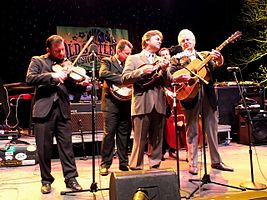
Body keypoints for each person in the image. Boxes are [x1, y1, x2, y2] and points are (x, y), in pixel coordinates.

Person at [25, 35, 89, 194]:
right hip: (43, 111)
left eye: (63, 49)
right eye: (57, 50)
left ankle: (71, 179)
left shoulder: (67, 65)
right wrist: (51, 76)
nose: (61, 53)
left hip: (62, 110)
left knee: (67, 148)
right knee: (44, 149)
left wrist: (82, 85)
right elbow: (30, 78)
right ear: (48, 50)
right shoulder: (38, 61)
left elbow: (73, 89)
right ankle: (46, 180)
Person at [170, 29, 234, 175]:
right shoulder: (177, 59)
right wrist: (181, 77)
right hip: (189, 96)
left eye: (188, 39)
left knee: (212, 129)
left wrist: (218, 61)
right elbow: (171, 75)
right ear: (180, 44)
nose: (186, 42)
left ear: (194, 41)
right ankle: (192, 164)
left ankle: (216, 161)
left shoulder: (204, 55)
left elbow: (215, 71)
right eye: (183, 41)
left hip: (208, 95)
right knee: (191, 130)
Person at [121, 30, 172, 170]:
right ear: (147, 41)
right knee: (139, 140)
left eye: (160, 39)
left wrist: (166, 70)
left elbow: (168, 82)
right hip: (142, 104)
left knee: (157, 140)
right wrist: (141, 72)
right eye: (157, 39)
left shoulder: (161, 60)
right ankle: (135, 168)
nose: (160, 41)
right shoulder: (134, 58)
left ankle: (155, 167)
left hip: (159, 104)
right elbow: (124, 79)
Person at [98, 39, 133, 176]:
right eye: (126, 53)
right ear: (118, 51)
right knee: (109, 134)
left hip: (125, 103)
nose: (129, 56)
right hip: (110, 104)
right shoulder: (107, 61)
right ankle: (105, 164)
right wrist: (123, 80)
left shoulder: (129, 64)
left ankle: (123, 163)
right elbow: (103, 73)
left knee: (124, 135)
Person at [158, 47, 177, 160]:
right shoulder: (160, 68)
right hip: (163, 100)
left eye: (167, 54)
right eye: (163, 54)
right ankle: (161, 151)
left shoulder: (174, 67)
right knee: (163, 127)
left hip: (174, 98)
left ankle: (173, 149)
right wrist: (166, 91)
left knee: (174, 126)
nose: (165, 56)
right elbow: (160, 84)